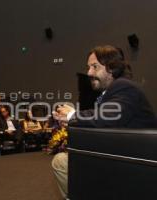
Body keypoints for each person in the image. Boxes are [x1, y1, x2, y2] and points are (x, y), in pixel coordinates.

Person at [52, 45, 157, 199]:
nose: (89, 72)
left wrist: (73, 115)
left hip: (132, 162)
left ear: (112, 68)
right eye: (88, 67)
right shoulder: (111, 92)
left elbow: (109, 116)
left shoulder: (124, 86)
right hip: (119, 155)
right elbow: (104, 119)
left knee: (61, 161)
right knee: (61, 160)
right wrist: (71, 119)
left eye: (95, 67)